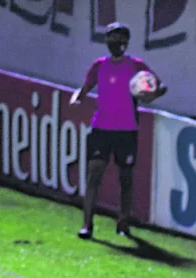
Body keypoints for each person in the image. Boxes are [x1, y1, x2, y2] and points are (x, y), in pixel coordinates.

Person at [69, 22, 167, 239]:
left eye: (121, 40)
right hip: (101, 128)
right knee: (94, 174)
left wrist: (152, 95)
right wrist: (77, 98)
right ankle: (87, 224)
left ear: (126, 42)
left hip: (126, 129)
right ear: (107, 42)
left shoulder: (136, 66)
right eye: (113, 39)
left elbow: (160, 86)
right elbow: (85, 88)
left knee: (126, 178)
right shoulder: (99, 66)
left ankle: (123, 222)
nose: (117, 44)